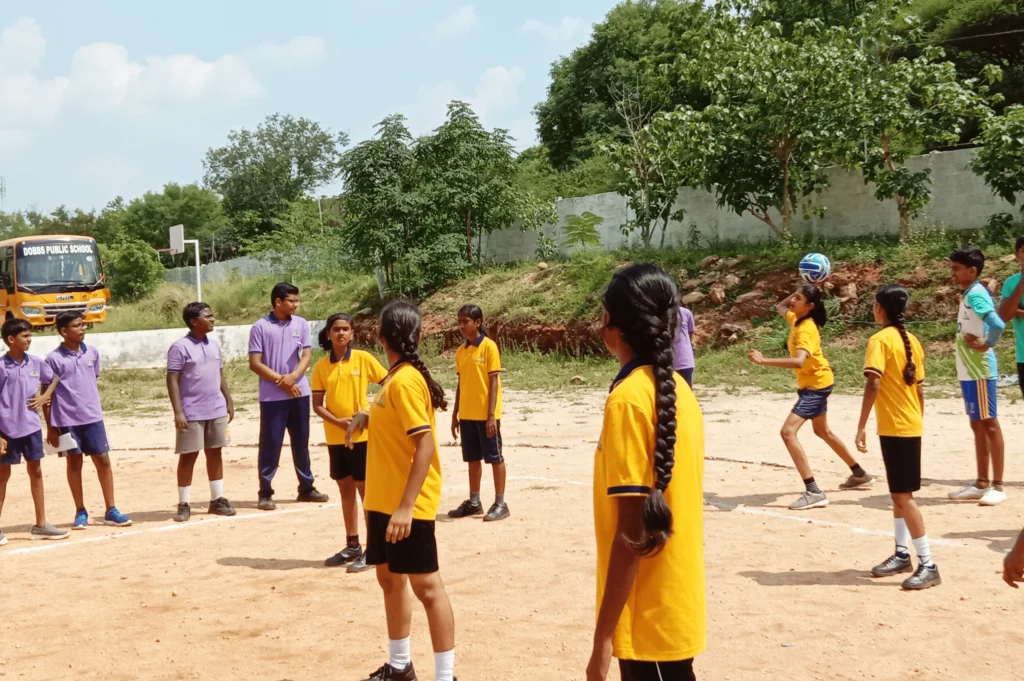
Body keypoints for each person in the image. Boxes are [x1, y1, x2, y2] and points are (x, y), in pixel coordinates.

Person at [586, 264, 705, 681]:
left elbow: (632, 532)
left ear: (613, 328)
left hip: (642, 610)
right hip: (674, 602)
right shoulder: (678, 391)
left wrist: (603, 639)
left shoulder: (630, 400)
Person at [347, 301, 456, 681]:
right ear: (418, 335)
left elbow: (423, 443)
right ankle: (400, 666)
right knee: (389, 579)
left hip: (405, 505)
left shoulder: (406, 379)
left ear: (381, 338)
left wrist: (407, 506)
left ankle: (445, 676)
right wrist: (367, 416)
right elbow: (397, 420)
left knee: (427, 587)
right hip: (382, 500)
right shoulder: (393, 379)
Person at [747, 284, 875, 510]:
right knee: (822, 431)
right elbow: (780, 305)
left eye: (798, 298)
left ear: (810, 306)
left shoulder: (806, 329)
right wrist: (801, 285)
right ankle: (860, 474)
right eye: (794, 297)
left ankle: (813, 491)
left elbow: (799, 361)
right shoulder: (796, 319)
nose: (793, 301)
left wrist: (763, 360)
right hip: (817, 383)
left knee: (788, 433)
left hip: (816, 386)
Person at [855, 285, 940, 590]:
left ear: (880, 308)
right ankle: (902, 554)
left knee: (904, 497)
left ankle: (928, 564)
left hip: (897, 427)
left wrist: (861, 424)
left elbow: (873, 384)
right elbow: (919, 388)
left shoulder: (879, 340)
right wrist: (918, 419)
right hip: (907, 424)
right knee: (897, 494)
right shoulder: (912, 341)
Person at [312, 312, 387, 573]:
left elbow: (388, 384)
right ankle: (352, 543)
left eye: (345, 329)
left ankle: (373, 549)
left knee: (366, 494)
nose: (341, 333)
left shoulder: (363, 359)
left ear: (352, 333)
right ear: (329, 334)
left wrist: (368, 413)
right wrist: (340, 423)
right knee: (345, 492)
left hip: (362, 438)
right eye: (336, 329)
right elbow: (317, 405)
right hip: (335, 439)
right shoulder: (322, 366)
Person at [43, 311, 132, 529]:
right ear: (64, 331)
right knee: (74, 463)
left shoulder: (92, 353)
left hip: (92, 416)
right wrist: (51, 428)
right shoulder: (53, 359)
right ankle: (80, 510)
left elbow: (91, 380)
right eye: (77, 326)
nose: (83, 329)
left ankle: (111, 509)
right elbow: (46, 396)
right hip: (67, 419)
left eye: (83, 325)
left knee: (103, 459)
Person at [248, 282, 328, 511]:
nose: (296, 305)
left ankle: (306, 487)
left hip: (299, 393)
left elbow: (306, 355)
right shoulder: (260, 327)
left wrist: (293, 377)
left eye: (297, 301)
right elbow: (255, 363)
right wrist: (281, 382)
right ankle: (265, 491)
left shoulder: (301, 324)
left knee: (301, 442)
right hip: (273, 398)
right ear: (278, 302)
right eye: (291, 301)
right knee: (270, 444)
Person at [166, 302, 237, 523]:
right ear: (194, 321)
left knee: (215, 452)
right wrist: (178, 411)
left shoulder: (214, 345)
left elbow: (220, 373)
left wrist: (228, 400)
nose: (213, 319)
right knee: (189, 456)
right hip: (191, 411)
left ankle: (217, 499)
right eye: (208, 316)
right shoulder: (180, 347)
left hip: (215, 408)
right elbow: (172, 379)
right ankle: (184, 503)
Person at [947, 248, 1007, 506]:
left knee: (989, 423)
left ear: (972, 271)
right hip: (968, 370)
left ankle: (998, 485)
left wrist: (987, 343)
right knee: (977, 424)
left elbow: (998, 323)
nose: (952, 273)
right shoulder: (968, 294)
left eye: (956, 268)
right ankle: (981, 483)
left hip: (979, 369)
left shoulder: (977, 294)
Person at [0, 318, 68, 544]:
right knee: (2, 476)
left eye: (30, 335)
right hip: (7, 430)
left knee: (36, 472)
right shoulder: (1, 367)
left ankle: (41, 524)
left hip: (31, 428)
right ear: (11, 339)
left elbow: (54, 378)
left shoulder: (36, 363)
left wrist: (45, 395)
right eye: (25, 336)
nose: (30, 339)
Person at [448, 304, 509, 522]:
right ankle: (474, 502)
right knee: (472, 459)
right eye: (460, 321)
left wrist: (491, 415)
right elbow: (460, 383)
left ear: (478, 322)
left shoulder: (489, 347)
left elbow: (493, 381)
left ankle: (501, 503)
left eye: (466, 321)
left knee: (495, 457)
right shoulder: (460, 352)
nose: (462, 325)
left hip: (486, 415)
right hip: (467, 414)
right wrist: (455, 414)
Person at [999, 237, 1024, 397]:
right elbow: (1003, 315)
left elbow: (1011, 310)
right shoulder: (1011, 283)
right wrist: (1021, 284)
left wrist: (1018, 310)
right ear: (1017, 255)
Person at [674, 301, 696, 388]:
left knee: (687, 391)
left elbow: (690, 332)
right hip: (667, 361)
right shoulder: (660, 314)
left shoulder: (686, 313)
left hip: (685, 360)